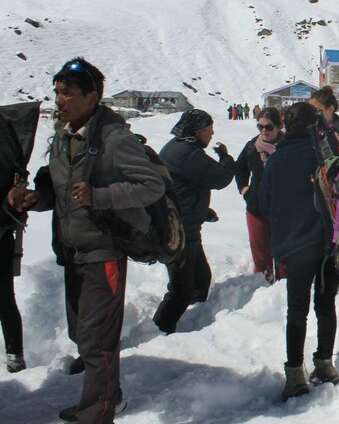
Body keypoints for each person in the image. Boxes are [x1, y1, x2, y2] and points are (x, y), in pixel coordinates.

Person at [8, 58, 164, 422]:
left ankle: (99, 411)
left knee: (96, 339)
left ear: (92, 97)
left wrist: (100, 196)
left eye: (68, 93)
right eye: (57, 93)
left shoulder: (114, 139)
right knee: (83, 335)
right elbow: (62, 191)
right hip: (72, 250)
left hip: (104, 250)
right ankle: (110, 397)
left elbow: (151, 186)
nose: (60, 100)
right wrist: (36, 199)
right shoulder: (64, 136)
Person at [258, 102, 339, 401]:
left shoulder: (277, 161)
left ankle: (295, 375)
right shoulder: (323, 156)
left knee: (297, 310)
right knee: (325, 304)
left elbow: (263, 203)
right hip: (329, 244)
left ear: (285, 126)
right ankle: (325, 365)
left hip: (294, 245)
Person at [153, 110, 235, 334]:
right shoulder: (188, 153)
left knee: (200, 279)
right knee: (181, 289)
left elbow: (183, 187)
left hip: (184, 224)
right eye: (209, 129)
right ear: (198, 131)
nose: (212, 133)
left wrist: (201, 211)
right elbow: (220, 177)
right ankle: (159, 330)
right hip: (178, 230)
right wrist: (227, 159)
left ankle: (196, 319)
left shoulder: (178, 146)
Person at [0, 102, 40, 374]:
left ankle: (15, 354)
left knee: (4, 298)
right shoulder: (6, 147)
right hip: (4, 234)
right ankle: (15, 354)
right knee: (5, 298)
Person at [235, 107, 284, 283]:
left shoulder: (288, 147)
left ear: (279, 127)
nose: (264, 131)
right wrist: (244, 188)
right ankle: (262, 289)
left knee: (284, 255)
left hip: (283, 210)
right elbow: (240, 168)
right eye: (260, 126)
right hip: (256, 207)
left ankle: (283, 290)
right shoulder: (252, 146)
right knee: (261, 256)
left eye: (269, 127)